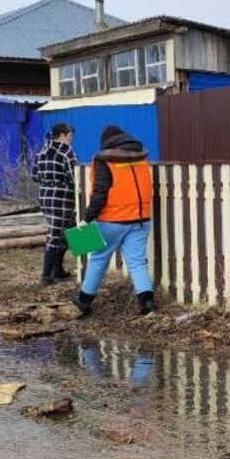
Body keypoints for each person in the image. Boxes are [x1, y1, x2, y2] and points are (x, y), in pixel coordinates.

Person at [71, 124, 155, 318]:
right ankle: (148, 304)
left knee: (99, 259)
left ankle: (84, 302)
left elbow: (100, 194)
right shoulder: (141, 158)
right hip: (141, 219)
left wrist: (87, 218)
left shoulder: (104, 160)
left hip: (111, 220)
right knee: (137, 263)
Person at [33, 123, 79, 286]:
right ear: (62, 135)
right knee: (58, 234)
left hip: (45, 197)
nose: (71, 137)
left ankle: (57, 269)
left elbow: (34, 176)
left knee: (67, 230)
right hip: (63, 198)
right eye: (70, 134)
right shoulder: (67, 152)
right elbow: (75, 177)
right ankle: (46, 276)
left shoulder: (41, 151)